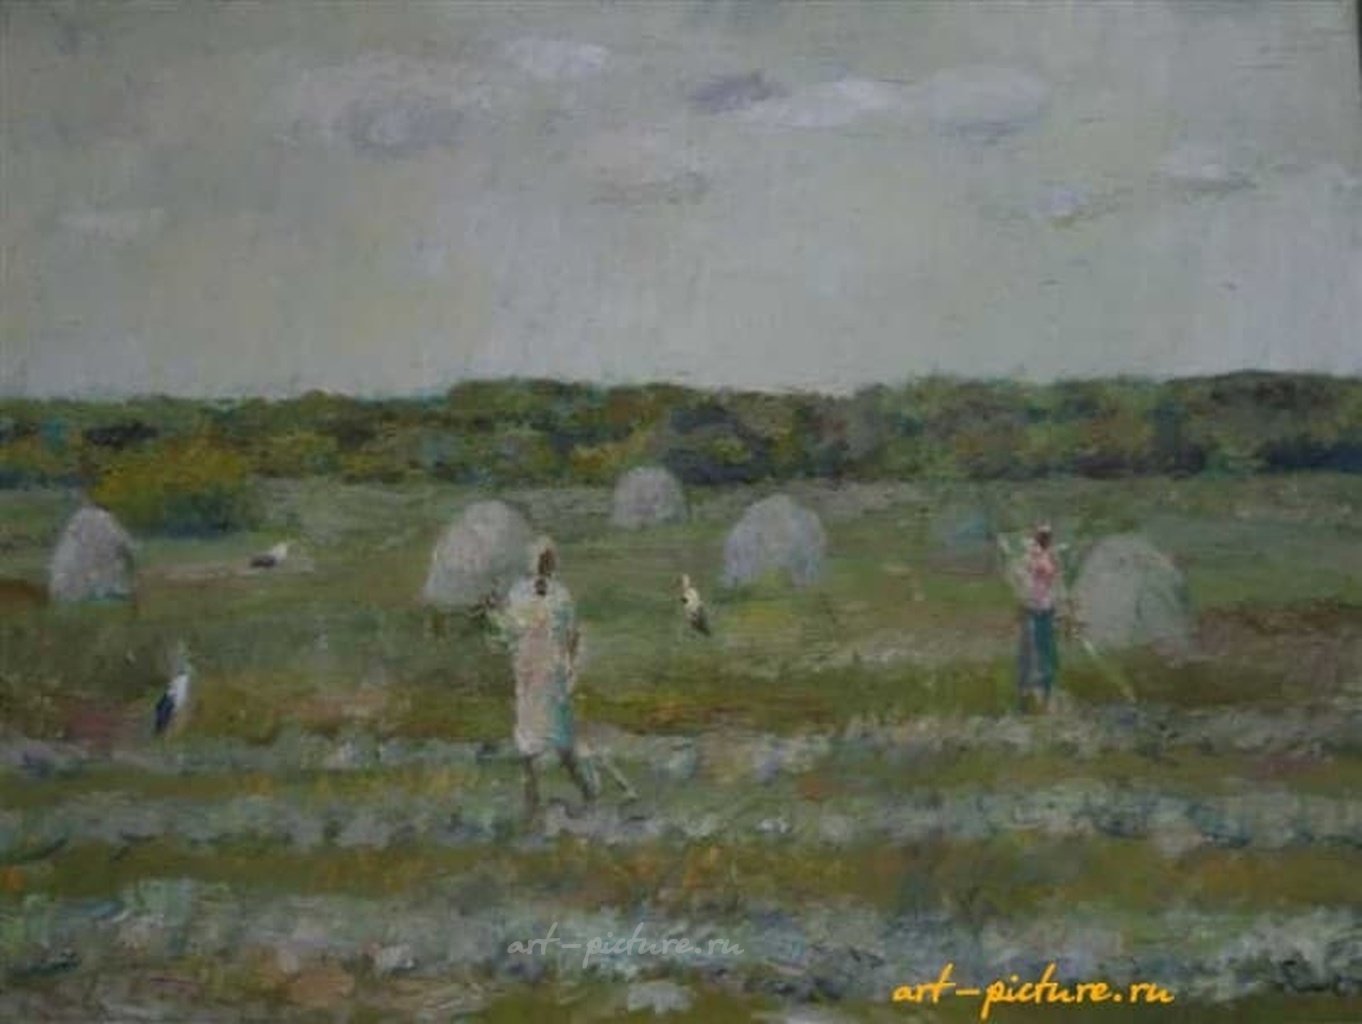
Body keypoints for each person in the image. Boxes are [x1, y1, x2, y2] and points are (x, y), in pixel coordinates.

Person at [489, 537, 598, 818]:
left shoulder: (561, 595)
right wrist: (495, 612)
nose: (543, 565)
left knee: (561, 738)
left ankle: (586, 791)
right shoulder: (518, 593)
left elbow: (572, 634)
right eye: (540, 560)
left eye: (547, 560)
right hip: (528, 672)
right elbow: (509, 630)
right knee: (528, 742)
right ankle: (532, 801)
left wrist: (570, 666)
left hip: (552, 674)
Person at [1004, 523, 1067, 711]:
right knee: (1029, 652)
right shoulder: (1026, 558)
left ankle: (1045, 694)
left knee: (1046, 652)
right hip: (1031, 610)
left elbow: (1057, 583)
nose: (1044, 539)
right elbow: (1018, 580)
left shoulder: (1052, 558)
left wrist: (1062, 607)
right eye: (1042, 536)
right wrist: (1024, 599)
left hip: (1047, 610)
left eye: (1047, 536)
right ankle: (1025, 694)